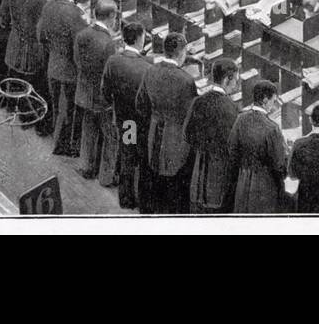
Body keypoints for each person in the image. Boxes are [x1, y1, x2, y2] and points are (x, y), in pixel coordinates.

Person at [136, 32, 199, 214]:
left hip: (154, 133)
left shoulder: (150, 71)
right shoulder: (186, 80)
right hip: (176, 139)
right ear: (182, 53)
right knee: (175, 185)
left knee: (156, 176)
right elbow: (191, 116)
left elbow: (140, 104)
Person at [0, 0, 53, 137]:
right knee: (35, 86)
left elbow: (3, 18)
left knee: (14, 77)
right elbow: (43, 32)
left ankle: (15, 111)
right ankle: (33, 120)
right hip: (32, 50)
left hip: (14, 44)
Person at [101, 20, 152, 210]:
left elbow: (105, 90)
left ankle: (126, 198)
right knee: (144, 162)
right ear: (140, 39)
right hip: (142, 123)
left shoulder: (113, 60)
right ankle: (142, 201)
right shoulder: (146, 68)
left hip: (125, 120)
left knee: (127, 158)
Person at [37, 0, 86, 154]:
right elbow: (80, 46)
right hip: (70, 71)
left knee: (58, 106)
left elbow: (41, 35)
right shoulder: (74, 13)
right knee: (68, 112)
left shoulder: (49, 6)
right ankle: (62, 146)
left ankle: (57, 140)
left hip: (53, 65)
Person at [183, 59, 240, 214]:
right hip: (219, 175)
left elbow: (188, 135)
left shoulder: (198, 101)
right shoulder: (231, 108)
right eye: (235, 80)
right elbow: (233, 147)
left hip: (199, 169)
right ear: (227, 79)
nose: (236, 85)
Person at [226, 80, 288, 213]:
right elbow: (279, 164)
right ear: (265, 100)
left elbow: (232, 148)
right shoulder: (272, 128)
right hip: (264, 185)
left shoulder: (240, 119)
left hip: (243, 182)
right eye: (273, 100)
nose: (273, 105)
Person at [75, 0, 120, 181]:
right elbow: (109, 74)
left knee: (89, 131)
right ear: (111, 17)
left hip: (85, 92)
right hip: (102, 99)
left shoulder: (83, 34)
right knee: (111, 137)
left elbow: (78, 61)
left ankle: (86, 167)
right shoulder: (108, 43)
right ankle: (106, 176)